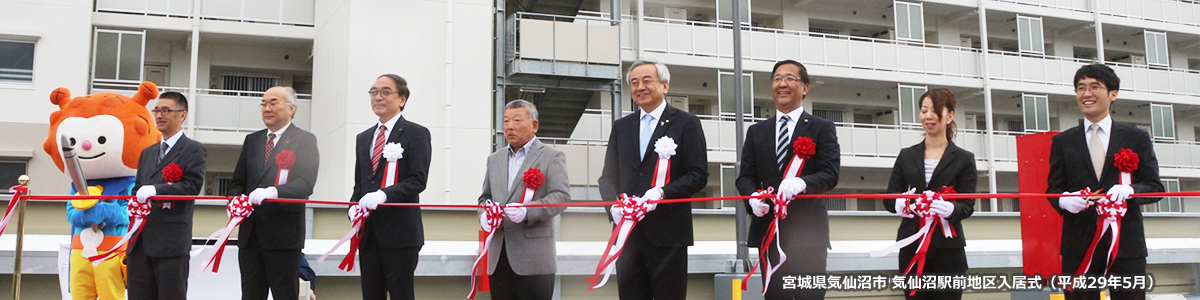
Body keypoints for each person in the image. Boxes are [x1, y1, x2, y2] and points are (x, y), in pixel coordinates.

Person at [1047, 63, 1163, 300]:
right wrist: (1064, 201)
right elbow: (1053, 190)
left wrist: (1130, 190)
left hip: (1126, 245)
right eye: (1080, 88)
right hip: (1078, 245)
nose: (1086, 94)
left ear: (1113, 94)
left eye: (1094, 87)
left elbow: (1154, 187)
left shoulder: (1136, 137)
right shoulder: (1063, 141)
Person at [598, 59, 708, 299]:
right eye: (634, 83)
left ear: (665, 86)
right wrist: (612, 207)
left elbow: (698, 175)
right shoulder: (622, 126)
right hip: (627, 233)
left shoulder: (686, 123)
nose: (640, 87)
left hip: (668, 235)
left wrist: (662, 192)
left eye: (647, 80)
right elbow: (607, 178)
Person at [736, 59, 840, 299]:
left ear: (805, 87)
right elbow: (745, 177)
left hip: (808, 235)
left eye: (790, 78)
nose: (782, 84)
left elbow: (830, 173)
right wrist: (752, 198)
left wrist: (802, 183)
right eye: (777, 79)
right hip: (769, 233)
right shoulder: (757, 131)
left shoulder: (821, 128)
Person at [883, 88, 976, 299]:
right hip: (911, 244)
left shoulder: (964, 158)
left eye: (935, 110)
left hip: (948, 247)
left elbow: (968, 204)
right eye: (924, 110)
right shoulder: (906, 155)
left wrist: (951, 208)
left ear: (950, 115)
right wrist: (900, 204)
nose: (928, 116)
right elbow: (890, 197)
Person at [227, 86, 320, 300]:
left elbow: (306, 184)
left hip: (284, 236)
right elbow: (238, 182)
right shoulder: (253, 140)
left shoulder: (304, 139)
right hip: (251, 236)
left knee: (285, 295)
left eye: (273, 103)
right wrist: (235, 200)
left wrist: (274, 191)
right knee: (250, 295)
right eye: (263, 103)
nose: (266, 108)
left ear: (291, 108)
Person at [477, 100, 570, 300]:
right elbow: (485, 197)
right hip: (498, 256)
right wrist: (484, 215)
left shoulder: (551, 156)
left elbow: (561, 197)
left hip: (534, 258)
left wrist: (529, 211)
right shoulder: (495, 159)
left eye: (517, 120)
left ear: (534, 125)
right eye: (506, 121)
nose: (509, 127)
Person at [350, 74, 431, 300]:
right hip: (368, 234)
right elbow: (361, 183)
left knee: (401, 295)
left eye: (385, 92)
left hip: (400, 234)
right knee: (371, 295)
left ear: (402, 99)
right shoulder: (363, 138)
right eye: (374, 92)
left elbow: (417, 180)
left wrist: (384, 195)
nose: (378, 97)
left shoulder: (416, 133)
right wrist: (353, 206)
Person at [130, 91, 207, 300]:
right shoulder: (148, 152)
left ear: (182, 115)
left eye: (166, 110)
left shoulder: (193, 150)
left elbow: (191, 187)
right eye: (156, 110)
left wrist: (157, 190)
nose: (159, 115)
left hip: (171, 242)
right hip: (141, 241)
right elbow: (138, 188)